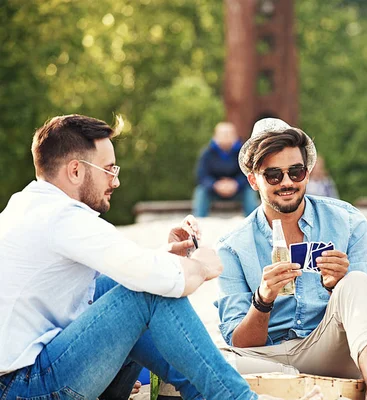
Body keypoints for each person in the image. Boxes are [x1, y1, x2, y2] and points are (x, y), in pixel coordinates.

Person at [0, 114, 316, 400]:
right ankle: (233, 397)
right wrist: (201, 265)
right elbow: (164, 281)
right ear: (75, 170)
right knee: (149, 296)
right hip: (26, 387)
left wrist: (165, 256)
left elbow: (108, 283)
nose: (116, 180)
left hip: (28, 374)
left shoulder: (30, 205)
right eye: (109, 169)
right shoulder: (62, 217)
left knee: (128, 287)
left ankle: (208, 392)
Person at [215, 118, 367, 400]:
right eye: (273, 175)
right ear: (253, 180)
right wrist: (263, 299)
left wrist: (337, 287)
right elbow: (240, 343)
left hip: (331, 349)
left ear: (307, 173)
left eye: (295, 172)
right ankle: (296, 386)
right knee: (208, 361)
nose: (286, 182)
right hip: (265, 359)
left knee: (356, 281)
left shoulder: (347, 221)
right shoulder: (232, 246)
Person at [192, 121, 258, 217]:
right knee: (200, 192)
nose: (226, 136)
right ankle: (199, 221)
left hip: (239, 190)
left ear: (235, 135)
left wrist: (236, 184)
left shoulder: (244, 153)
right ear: (215, 136)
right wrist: (215, 185)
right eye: (223, 134)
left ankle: (253, 220)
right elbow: (201, 176)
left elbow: (250, 173)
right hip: (213, 190)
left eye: (229, 134)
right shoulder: (206, 153)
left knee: (250, 191)